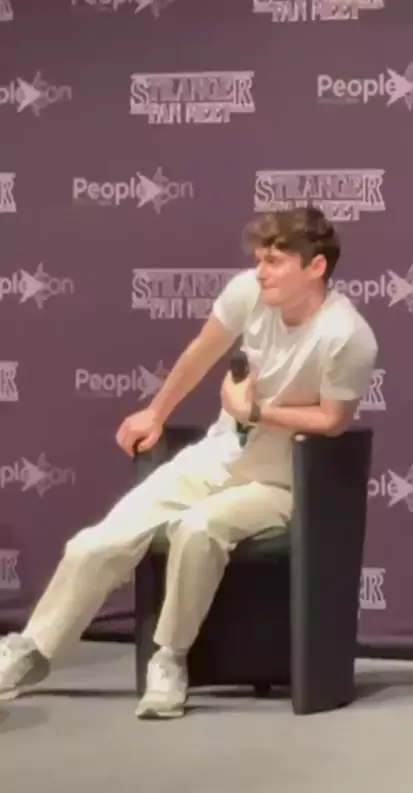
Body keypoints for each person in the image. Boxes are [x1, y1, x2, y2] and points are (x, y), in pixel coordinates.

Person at [0, 206, 378, 719]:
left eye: (275, 262)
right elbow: (203, 350)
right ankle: (30, 651)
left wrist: (254, 412)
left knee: (198, 530)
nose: (260, 272)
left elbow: (333, 420)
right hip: (217, 455)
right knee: (97, 542)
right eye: (258, 260)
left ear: (315, 267)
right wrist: (155, 413)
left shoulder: (347, 335)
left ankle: (170, 659)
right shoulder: (248, 293)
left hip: (282, 479)